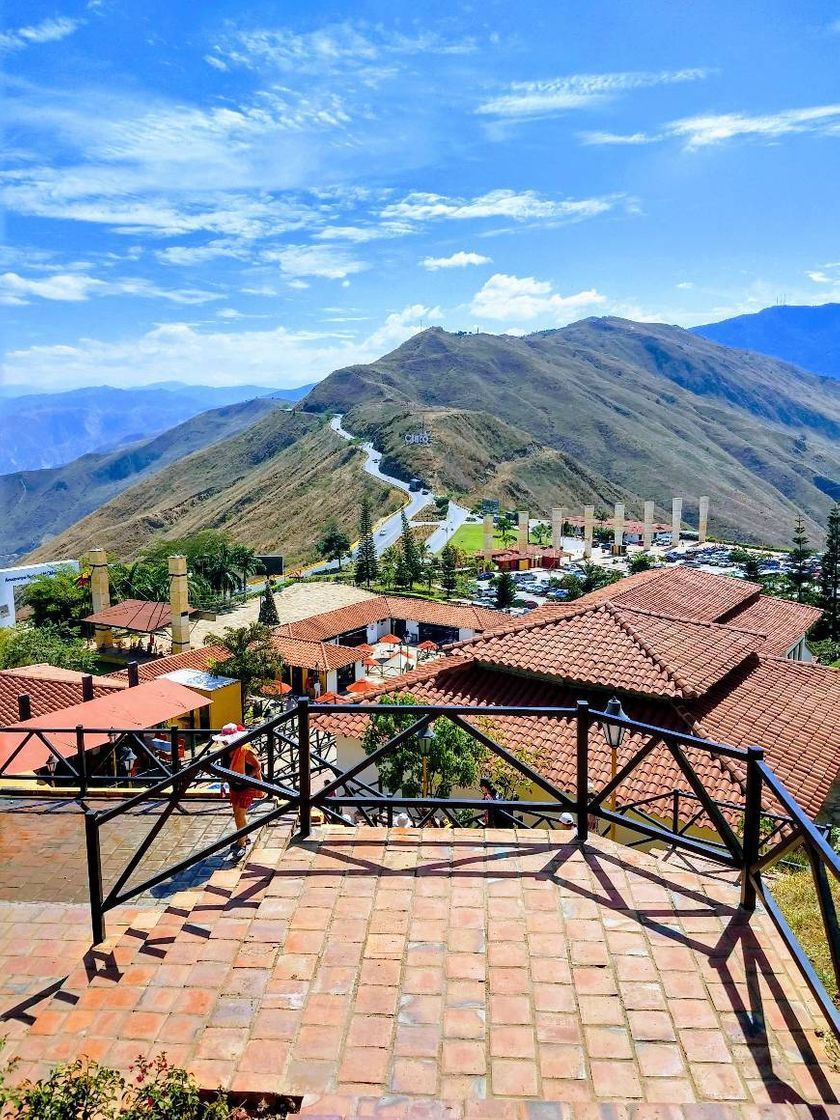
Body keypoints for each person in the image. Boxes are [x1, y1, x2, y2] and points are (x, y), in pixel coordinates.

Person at [213, 722, 264, 858]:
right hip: (234, 786)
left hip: (247, 786)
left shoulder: (245, 751)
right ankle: (243, 837)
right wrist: (222, 783)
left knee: (239, 814)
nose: (224, 742)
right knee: (237, 813)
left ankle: (241, 844)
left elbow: (257, 766)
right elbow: (224, 770)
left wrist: (246, 778)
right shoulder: (225, 751)